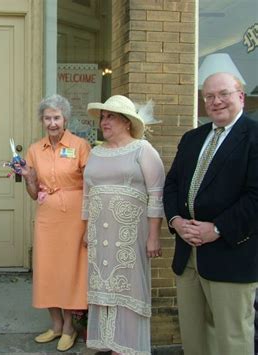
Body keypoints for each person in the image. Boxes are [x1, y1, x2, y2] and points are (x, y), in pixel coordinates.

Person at [163, 72, 258, 355]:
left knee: (232, 340)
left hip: (231, 253)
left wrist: (216, 228)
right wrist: (176, 222)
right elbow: (172, 185)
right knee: (194, 339)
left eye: (223, 94)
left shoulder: (253, 136)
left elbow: (256, 197)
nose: (216, 102)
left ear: (240, 96)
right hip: (188, 255)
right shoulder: (192, 138)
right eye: (209, 96)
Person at [82, 95, 165, 354]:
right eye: (103, 117)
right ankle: (106, 341)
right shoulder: (95, 152)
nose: (104, 122)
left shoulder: (143, 149)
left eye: (111, 117)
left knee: (129, 285)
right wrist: (86, 229)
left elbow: (156, 193)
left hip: (129, 234)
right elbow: (87, 195)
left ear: (127, 122)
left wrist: (153, 236)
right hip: (98, 233)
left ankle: (126, 346)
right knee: (102, 283)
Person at [15, 94, 90, 352]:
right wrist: (27, 177)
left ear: (65, 119)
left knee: (70, 270)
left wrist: (90, 221)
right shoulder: (36, 150)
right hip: (47, 217)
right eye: (47, 118)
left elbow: (91, 184)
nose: (52, 123)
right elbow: (34, 192)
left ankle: (70, 327)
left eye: (56, 117)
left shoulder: (80, 145)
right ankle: (55, 325)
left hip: (74, 216)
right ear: (42, 121)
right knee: (46, 268)